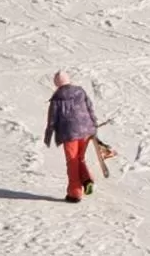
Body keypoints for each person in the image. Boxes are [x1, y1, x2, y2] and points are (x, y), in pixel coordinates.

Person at [44, 72, 99, 203]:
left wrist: (48, 135)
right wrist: (94, 124)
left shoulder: (57, 97)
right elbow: (90, 108)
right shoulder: (80, 91)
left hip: (70, 134)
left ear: (57, 83)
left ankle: (75, 193)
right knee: (80, 157)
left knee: (72, 162)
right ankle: (86, 180)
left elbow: (52, 119)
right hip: (86, 130)